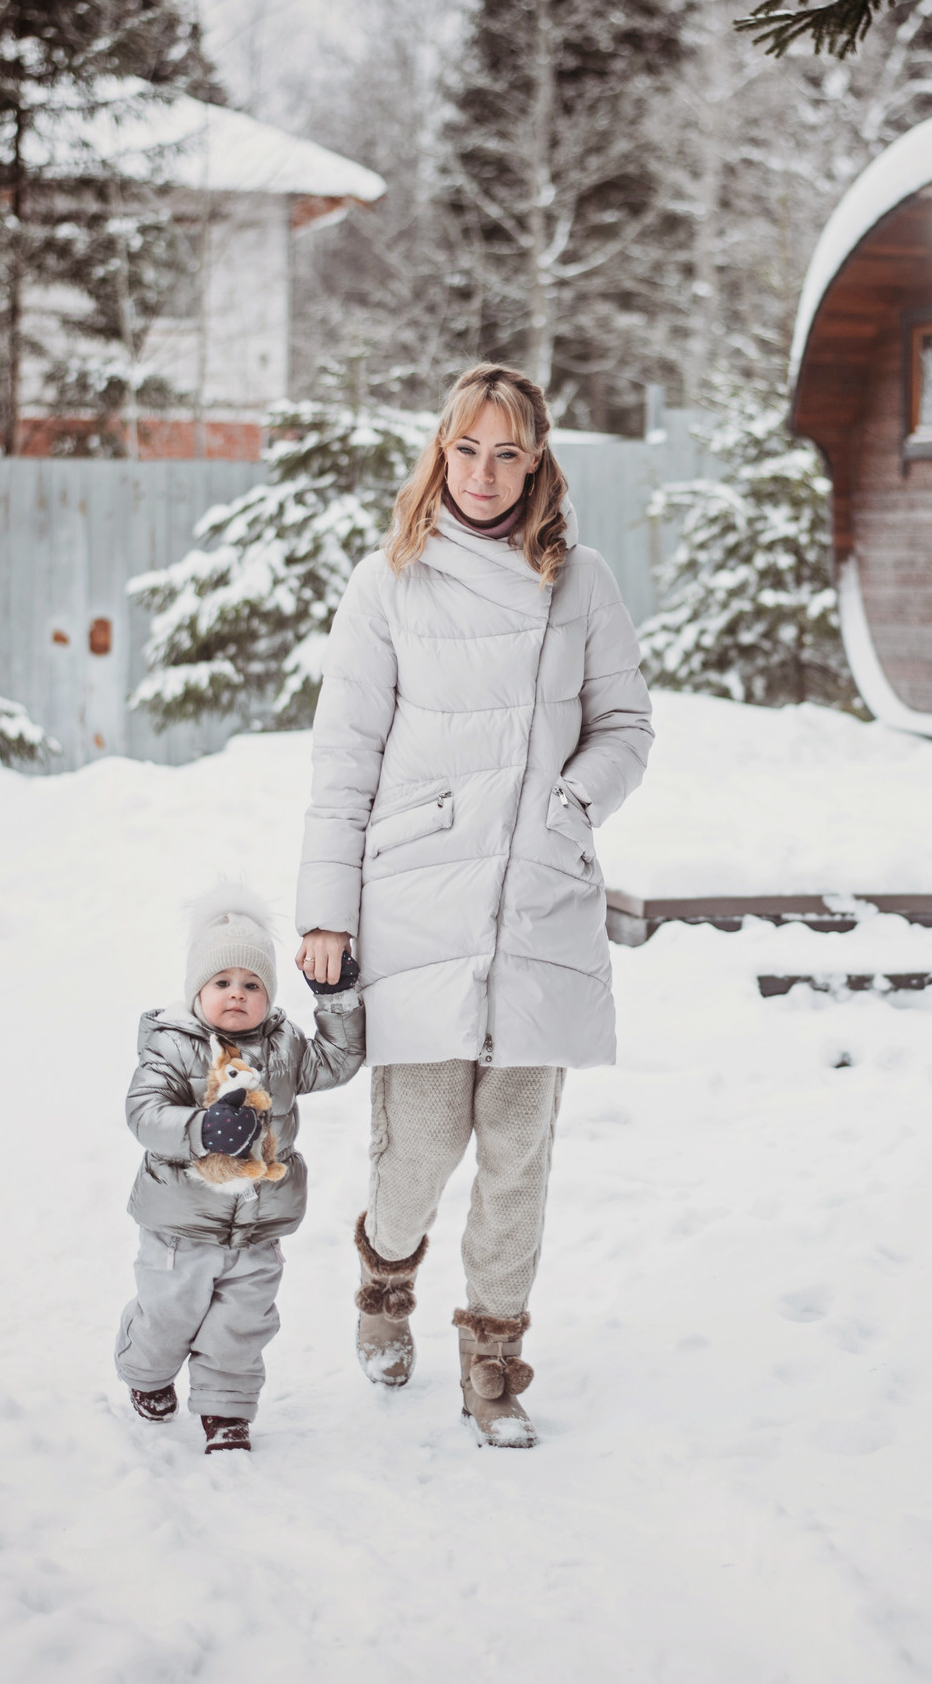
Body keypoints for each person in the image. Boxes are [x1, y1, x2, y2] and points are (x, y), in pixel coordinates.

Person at [295, 363, 653, 1447]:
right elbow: (342, 756)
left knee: (517, 1153)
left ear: (536, 457)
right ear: (438, 453)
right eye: (466, 450)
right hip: (417, 901)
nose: (486, 474)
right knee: (416, 1154)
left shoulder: (578, 581)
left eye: (508, 452)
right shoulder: (389, 581)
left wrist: (568, 800)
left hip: (538, 902)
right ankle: (383, 1273)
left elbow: (625, 726)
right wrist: (326, 913)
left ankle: (494, 1357)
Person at [116, 895, 363, 1453]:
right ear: (197, 991)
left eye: (252, 985)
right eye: (222, 981)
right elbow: (145, 1112)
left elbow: (340, 1060)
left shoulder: (285, 1046)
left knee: (241, 1326)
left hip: (257, 1226)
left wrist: (337, 998)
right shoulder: (171, 1046)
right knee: (167, 1318)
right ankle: (146, 1374)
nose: (237, 994)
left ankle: (226, 1411)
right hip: (181, 1229)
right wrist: (202, 1129)